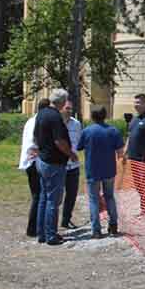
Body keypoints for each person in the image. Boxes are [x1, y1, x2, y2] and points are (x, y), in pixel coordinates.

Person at [33, 89, 77, 246]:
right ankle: (51, 235)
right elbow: (59, 141)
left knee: (44, 198)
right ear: (62, 101)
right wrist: (71, 153)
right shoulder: (55, 117)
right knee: (53, 200)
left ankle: (42, 233)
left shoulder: (42, 113)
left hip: (42, 160)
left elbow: (36, 136)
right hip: (54, 163)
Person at [79, 106, 126, 238]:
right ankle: (113, 226)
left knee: (94, 199)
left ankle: (96, 230)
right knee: (109, 196)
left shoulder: (87, 131)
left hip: (92, 170)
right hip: (109, 170)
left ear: (92, 116)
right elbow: (120, 152)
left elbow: (79, 146)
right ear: (105, 116)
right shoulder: (113, 131)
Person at [18, 98, 49, 238]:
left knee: (37, 196)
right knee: (38, 196)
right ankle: (33, 228)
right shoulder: (39, 122)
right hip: (34, 162)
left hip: (29, 162)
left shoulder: (31, 120)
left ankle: (36, 227)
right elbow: (34, 143)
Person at [60, 99, 84, 231]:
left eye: (70, 108)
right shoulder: (55, 123)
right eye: (67, 108)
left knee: (72, 194)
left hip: (73, 166)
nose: (69, 111)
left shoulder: (76, 124)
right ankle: (51, 222)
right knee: (56, 196)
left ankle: (66, 220)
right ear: (61, 108)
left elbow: (80, 142)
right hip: (59, 166)